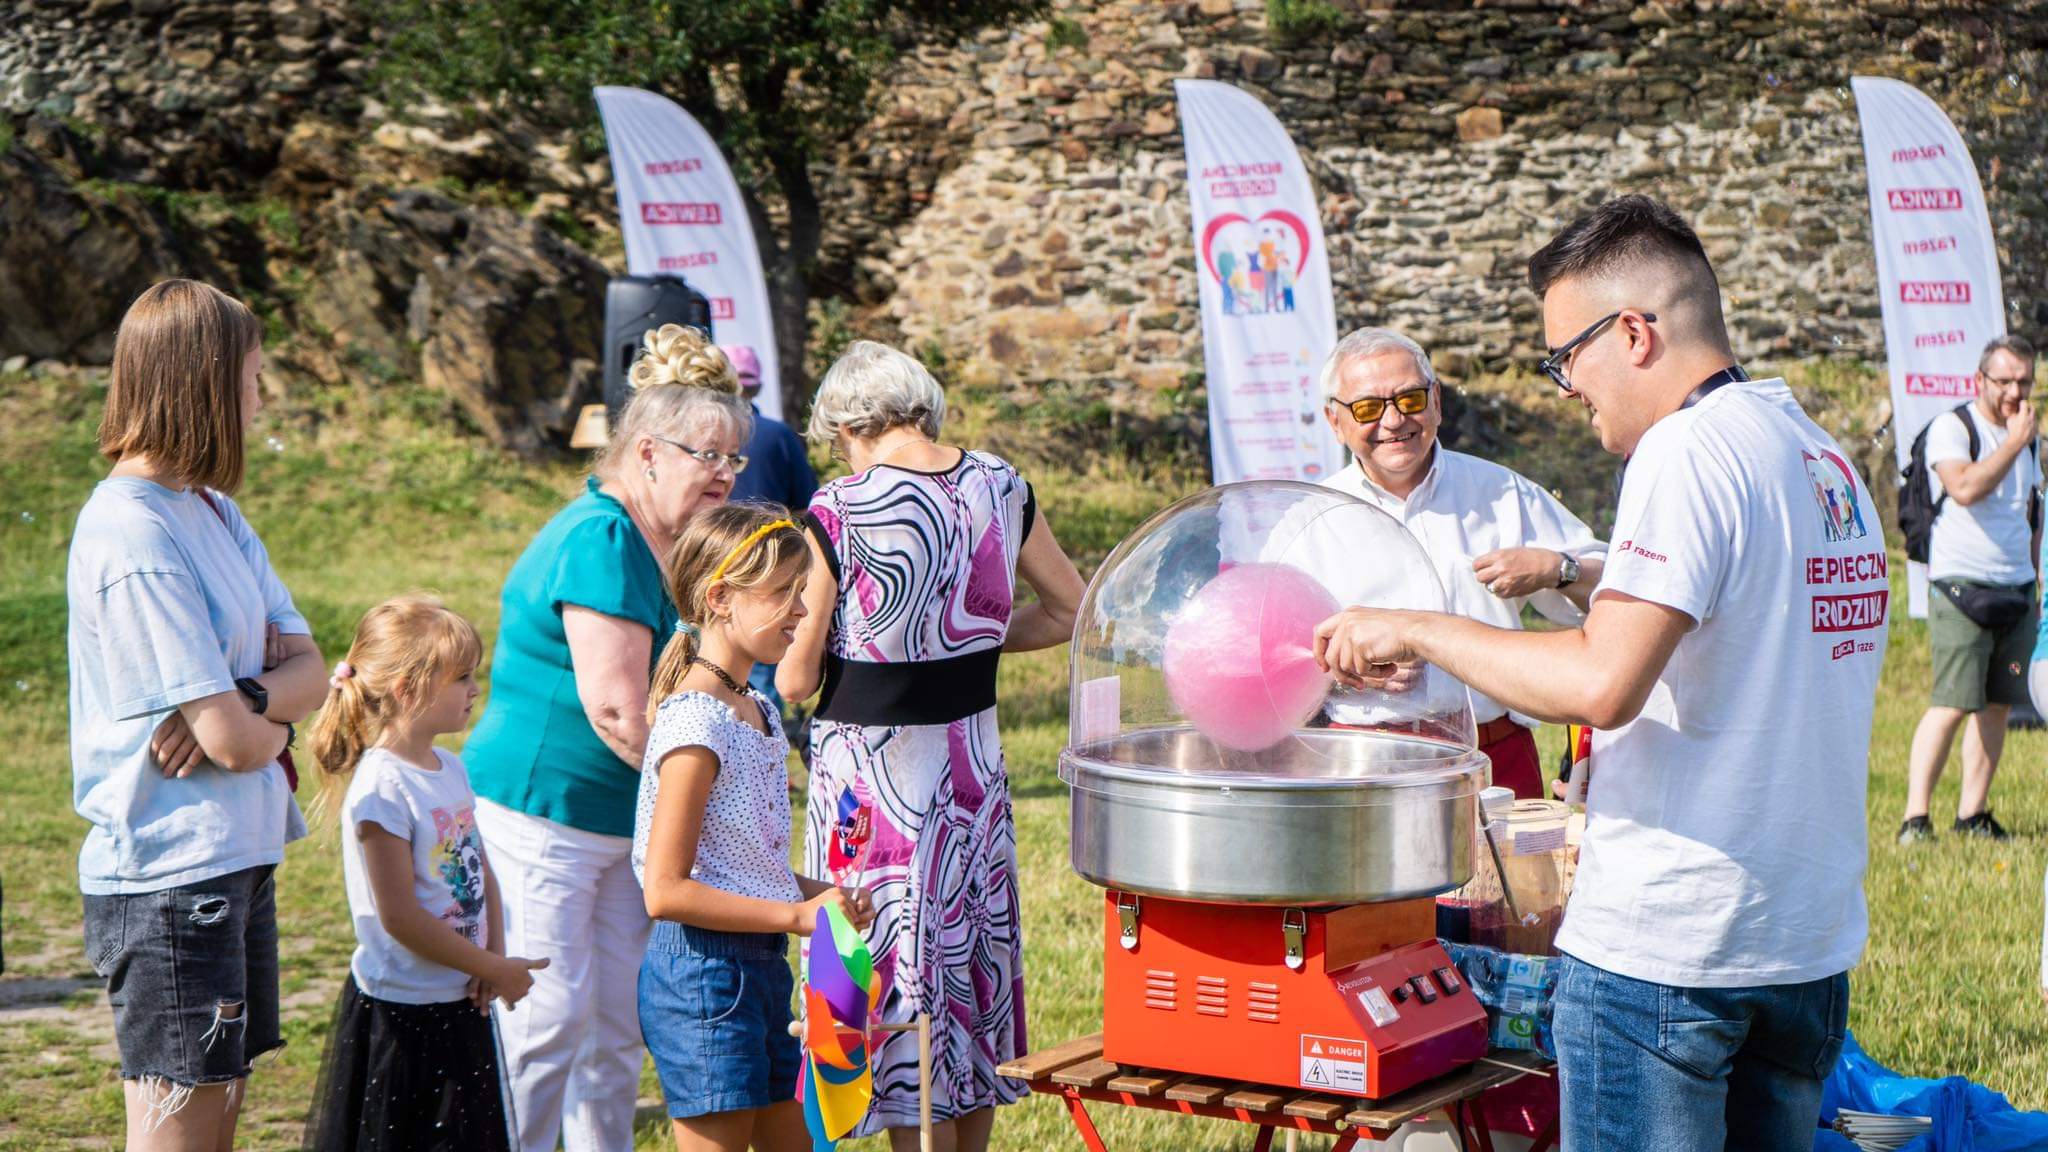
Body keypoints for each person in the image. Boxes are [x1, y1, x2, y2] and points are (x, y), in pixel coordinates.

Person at [1314, 196, 1884, 1151]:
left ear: (1632, 334)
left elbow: (1599, 680)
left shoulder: (1684, 452)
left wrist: (1416, 626)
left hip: (1675, 951)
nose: (1567, 388)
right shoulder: (1817, 450)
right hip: (1803, 942)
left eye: (1566, 358)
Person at [777, 341, 1086, 1152]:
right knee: (965, 966)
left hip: (869, 787)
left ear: (851, 422)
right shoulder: (1001, 484)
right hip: (970, 770)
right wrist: (970, 645)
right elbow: (1068, 608)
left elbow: (797, 676)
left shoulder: (836, 510)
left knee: (882, 977)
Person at [463, 323, 752, 1152]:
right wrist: (713, 804)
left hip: (615, 823)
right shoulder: (604, 536)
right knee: (546, 1020)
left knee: (616, 1026)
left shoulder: (663, 542)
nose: (726, 476)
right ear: (649, 453)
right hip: (542, 814)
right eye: (710, 457)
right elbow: (622, 712)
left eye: (735, 459)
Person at [69, 279, 327, 1148]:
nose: (260, 397)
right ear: (206, 381)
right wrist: (252, 715)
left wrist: (247, 696)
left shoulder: (215, 511)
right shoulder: (134, 535)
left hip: (231, 860)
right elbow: (231, 742)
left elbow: (312, 669)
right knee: (178, 1126)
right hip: (172, 876)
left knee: (218, 1113)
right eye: (253, 375)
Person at [635, 504, 876, 1152]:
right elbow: (664, 891)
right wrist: (798, 919)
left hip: (763, 974)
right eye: (782, 594)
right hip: (704, 982)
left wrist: (817, 893)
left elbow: (746, 867)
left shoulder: (760, 710)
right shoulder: (696, 726)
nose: (801, 612)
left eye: (803, 593)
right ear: (720, 598)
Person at [1310, 326, 1605, 799]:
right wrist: (1340, 673)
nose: (1392, 421)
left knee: (1514, 877)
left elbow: (1623, 594)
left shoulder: (1502, 493)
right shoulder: (1310, 516)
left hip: (1496, 761)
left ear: (1437, 402)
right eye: (1367, 408)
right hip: (1363, 764)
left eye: (1409, 399)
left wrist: (1558, 566)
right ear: (1334, 420)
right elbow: (1269, 660)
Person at [302, 595, 549, 1151]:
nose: (474, 689)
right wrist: (488, 963)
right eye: (461, 677)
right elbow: (400, 918)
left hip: (460, 994)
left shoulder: (450, 769)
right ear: (408, 688)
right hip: (406, 1014)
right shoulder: (382, 788)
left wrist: (495, 958)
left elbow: (478, 868)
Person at [1899, 334, 2040, 844]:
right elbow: (1964, 488)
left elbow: (2030, 509)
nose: (2014, 392)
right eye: (2004, 381)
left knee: (1999, 704)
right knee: (1952, 702)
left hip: (2017, 587)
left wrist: (2036, 575)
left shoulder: (2029, 436)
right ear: (1979, 380)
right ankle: (1915, 818)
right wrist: (2012, 443)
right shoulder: (1952, 428)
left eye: (2025, 381)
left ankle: (1972, 814)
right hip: (1961, 586)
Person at [723, 344, 819, 712]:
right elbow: (806, 505)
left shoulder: (707, 433)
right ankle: (762, 735)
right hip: (766, 562)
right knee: (761, 657)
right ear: (758, 386)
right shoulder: (780, 435)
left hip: (711, 557)